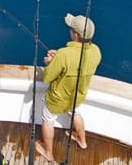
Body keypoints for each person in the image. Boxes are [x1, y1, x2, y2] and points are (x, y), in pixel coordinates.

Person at [34, 13, 102, 162]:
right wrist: (59, 55)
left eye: (71, 29)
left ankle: (49, 153)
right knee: (75, 113)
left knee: (48, 120)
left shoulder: (64, 55)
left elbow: (47, 77)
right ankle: (82, 142)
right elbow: (78, 62)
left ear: (76, 35)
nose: (69, 30)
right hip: (77, 97)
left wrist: (50, 62)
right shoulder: (96, 51)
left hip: (57, 100)